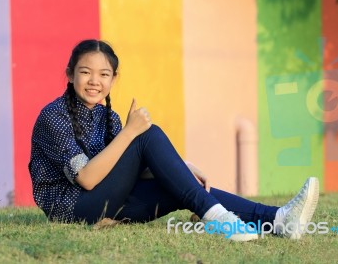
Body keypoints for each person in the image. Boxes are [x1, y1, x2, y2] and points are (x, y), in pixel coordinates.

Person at [29, 39, 319, 241]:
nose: (95, 81)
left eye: (104, 74)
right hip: (75, 210)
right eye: (85, 72)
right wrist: (131, 132)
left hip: (106, 203)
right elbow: (89, 179)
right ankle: (216, 217)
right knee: (148, 134)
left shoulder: (110, 118)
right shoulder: (54, 116)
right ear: (69, 75)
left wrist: (178, 168)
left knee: (177, 184)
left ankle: (279, 220)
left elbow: (121, 170)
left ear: (114, 80)